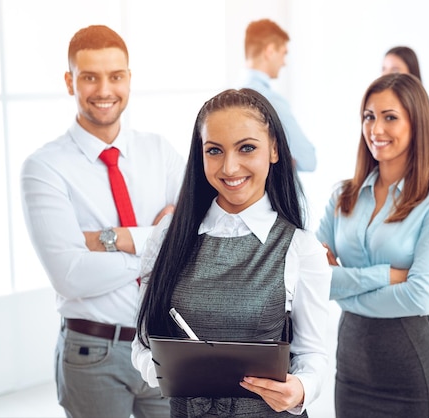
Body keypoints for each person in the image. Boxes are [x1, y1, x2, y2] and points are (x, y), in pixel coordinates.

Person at [131, 88, 332, 417]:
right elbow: (141, 344)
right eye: (214, 151)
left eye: (247, 148)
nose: (230, 167)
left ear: (274, 150)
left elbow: (313, 356)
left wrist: (300, 390)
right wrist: (172, 372)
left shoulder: (300, 248)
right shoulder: (168, 236)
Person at [20, 25, 185, 418]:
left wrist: (119, 239)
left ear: (129, 78)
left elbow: (197, 234)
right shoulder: (44, 168)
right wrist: (159, 244)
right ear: (69, 81)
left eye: (116, 76)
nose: (104, 89)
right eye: (89, 76)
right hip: (94, 353)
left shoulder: (158, 151)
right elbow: (70, 275)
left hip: (164, 345)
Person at [316, 73, 429, 418]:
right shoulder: (343, 196)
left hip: (413, 375)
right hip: (351, 371)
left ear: (417, 123)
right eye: (369, 116)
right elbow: (312, 278)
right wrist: (393, 275)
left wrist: (344, 285)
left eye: (390, 117)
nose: (376, 129)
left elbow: (421, 296)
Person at [238, 18, 317, 172]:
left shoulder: (227, 98)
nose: (284, 62)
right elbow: (308, 160)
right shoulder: (269, 100)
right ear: (270, 51)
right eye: (283, 53)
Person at [381, 46, 429, 172]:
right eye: (384, 69)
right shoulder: (376, 109)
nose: (386, 75)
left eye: (395, 70)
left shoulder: (427, 110)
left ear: (411, 73)